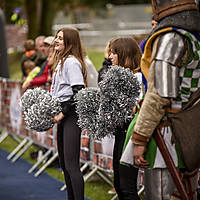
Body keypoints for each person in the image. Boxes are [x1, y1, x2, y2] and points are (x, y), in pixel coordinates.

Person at [131, 0, 200, 200]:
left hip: (168, 131)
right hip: (192, 127)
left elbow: (159, 95)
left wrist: (140, 138)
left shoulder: (172, 38)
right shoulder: (195, 38)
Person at [50, 27, 87, 200]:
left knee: (72, 165)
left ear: (70, 43)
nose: (56, 41)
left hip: (71, 115)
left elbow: (79, 92)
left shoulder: (71, 62)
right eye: (56, 37)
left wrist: (63, 114)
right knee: (65, 164)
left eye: (60, 39)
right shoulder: (62, 61)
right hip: (63, 114)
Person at [104, 37, 142, 200]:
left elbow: (136, 110)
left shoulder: (138, 78)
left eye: (113, 53)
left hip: (130, 135)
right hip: (120, 134)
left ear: (124, 54)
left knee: (127, 188)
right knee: (119, 185)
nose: (110, 57)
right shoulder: (117, 78)